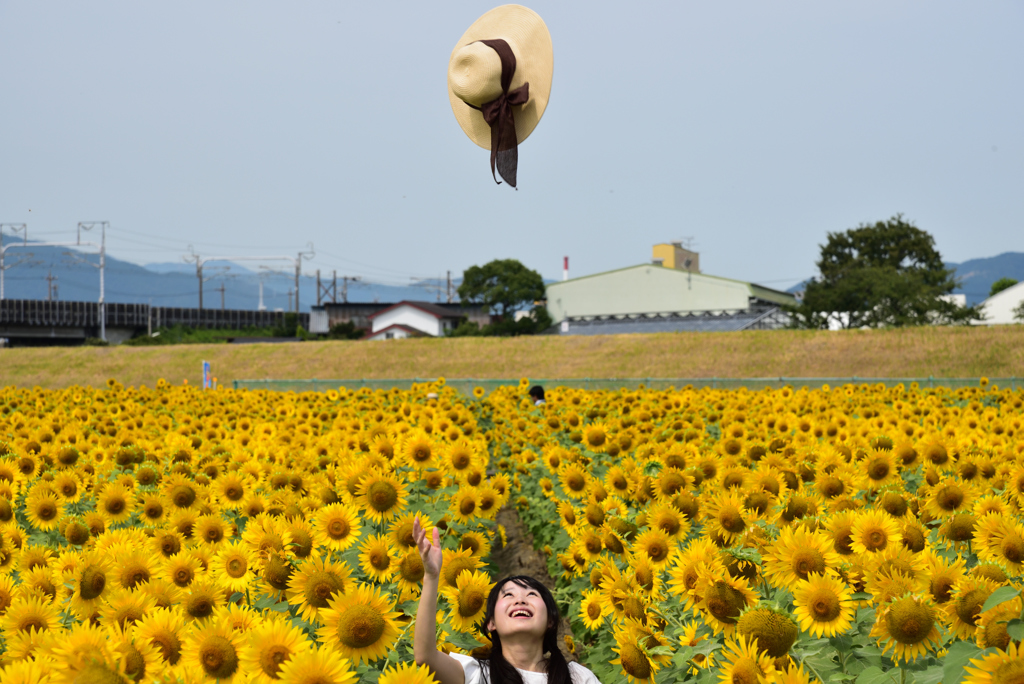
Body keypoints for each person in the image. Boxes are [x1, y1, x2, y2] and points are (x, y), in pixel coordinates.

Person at [413, 516, 601, 684]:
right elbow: (425, 657)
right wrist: (431, 577)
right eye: (508, 595)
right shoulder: (477, 674)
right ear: (490, 624)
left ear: (550, 621)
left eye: (532, 594)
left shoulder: (577, 677)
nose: (520, 599)